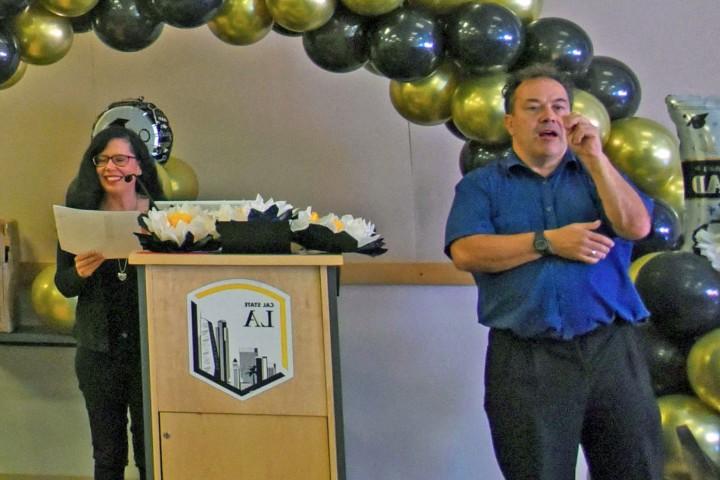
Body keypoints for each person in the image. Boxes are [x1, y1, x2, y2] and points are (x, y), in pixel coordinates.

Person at [444, 64, 664, 480]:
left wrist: (596, 159)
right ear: (510, 122)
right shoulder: (482, 186)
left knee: (636, 470)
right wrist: (547, 241)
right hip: (527, 358)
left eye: (559, 106)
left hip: (611, 351)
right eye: (534, 107)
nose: (549, 116)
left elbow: (637, 226)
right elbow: (466, 251)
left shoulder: (600, 174)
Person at [55, 126, 165, 480]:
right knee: (108, 456)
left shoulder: (162, 216)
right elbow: (63, 284)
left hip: (151, 352)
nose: (109, 167)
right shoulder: (80, 214)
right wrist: (79, 272)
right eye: (101, 160)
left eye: (119, 158)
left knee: (152, 453)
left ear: (138, 166)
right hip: (98, 352)